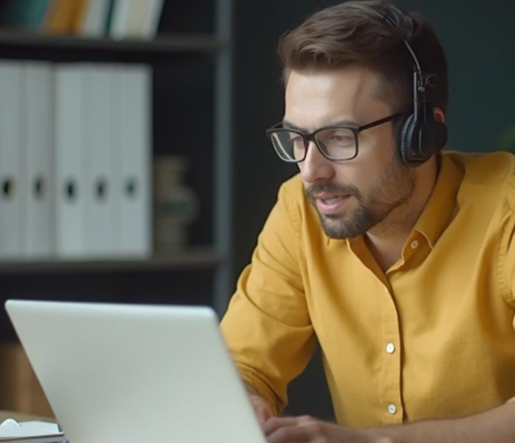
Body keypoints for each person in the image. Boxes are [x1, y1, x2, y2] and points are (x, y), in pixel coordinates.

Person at [220, 0, 515, 442]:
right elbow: (243, 364)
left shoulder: (506, 210)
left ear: (421, 134)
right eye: (296, 138)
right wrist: (241, 399)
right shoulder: (299, 211)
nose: (310, 172)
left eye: (339, 137)